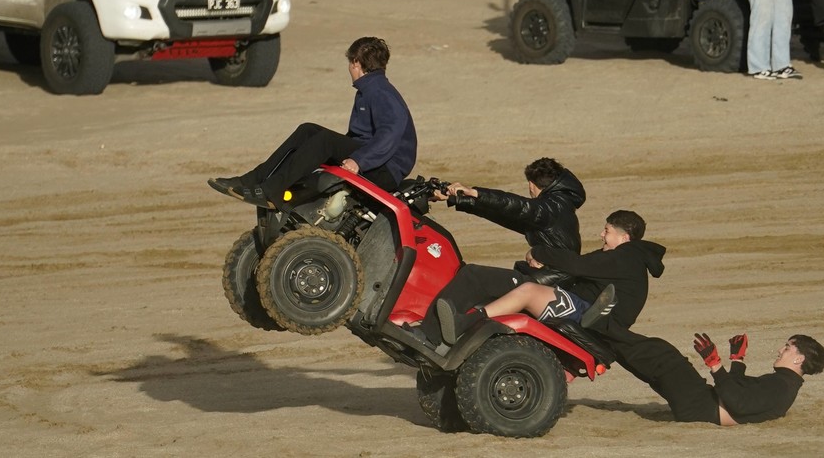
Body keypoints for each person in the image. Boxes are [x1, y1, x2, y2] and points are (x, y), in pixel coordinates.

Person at [207, 36, 417, 209]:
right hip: (375, 159)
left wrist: (358, 161)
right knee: (308, 130)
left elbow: (389, 135)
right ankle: (253, 179)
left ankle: (271, 190)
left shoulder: (380, 92)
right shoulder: (369, 89)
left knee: (325, 141)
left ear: (356, 63)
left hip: (386, 170)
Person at [415, 157, 586, 346]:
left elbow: (515, 205)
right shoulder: (558, 206)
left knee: (473, 276)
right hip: (547, 281)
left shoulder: (551, 207)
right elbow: (505, 215)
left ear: (531, 184)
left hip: (543, 284)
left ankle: (427, 336)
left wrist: (475, 192)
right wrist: (458, 198)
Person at [437, 210, 665, 345]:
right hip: (584, 308)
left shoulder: (624, 258)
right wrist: (544, 264)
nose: (601, 234)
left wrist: (539, 252)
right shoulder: (621, 258)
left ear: (624, 238)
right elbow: (578, 267)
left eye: (607, 231)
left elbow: (577, 265)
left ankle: (465, 323)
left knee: (527, 291)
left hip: (590, 317)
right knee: (521, 286)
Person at [612, 332, 824, 424]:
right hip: (701, 404)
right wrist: (737, 360)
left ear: (799, 359)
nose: (780, 350)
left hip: (700, 406)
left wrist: (714, 364)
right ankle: (604, 344)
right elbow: (739, 391)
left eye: (787, 347)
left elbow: (738, 403)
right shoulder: (784, 383)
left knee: (665, 355)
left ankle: (606, 331)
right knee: (654, 366)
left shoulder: (781, 387)